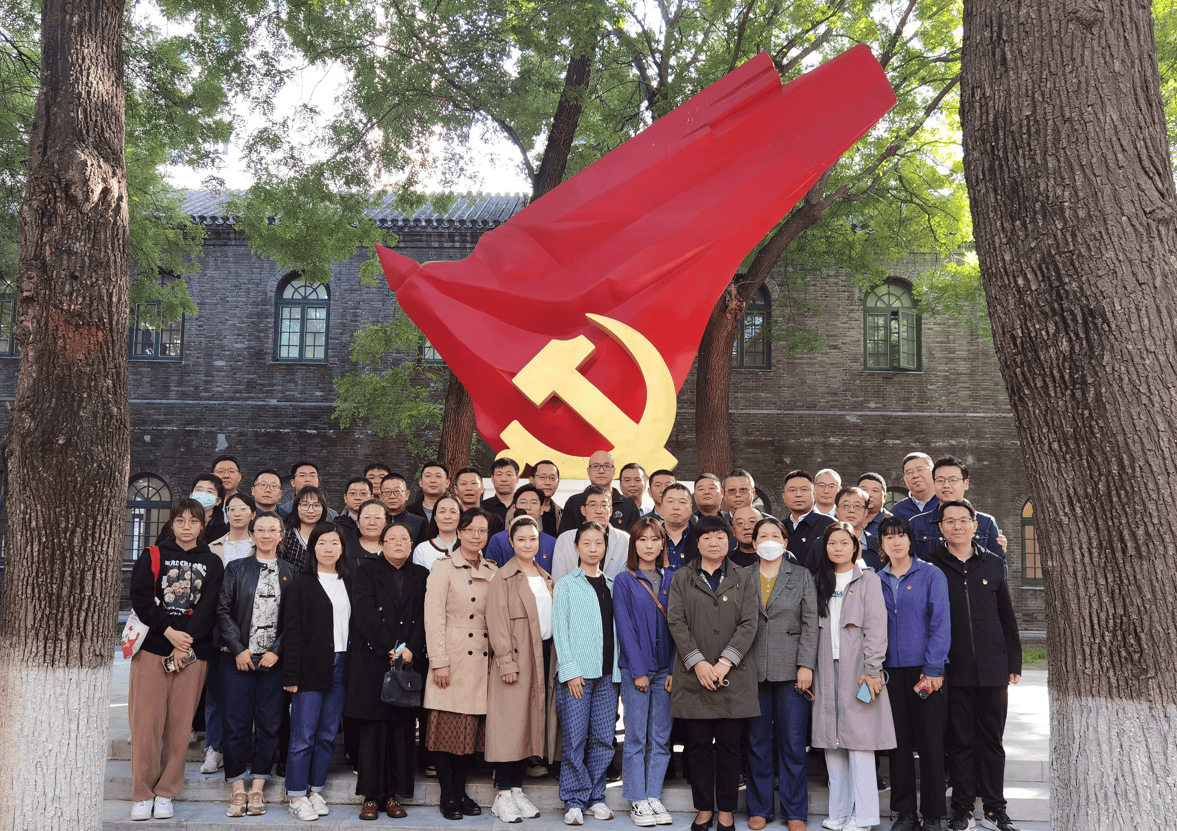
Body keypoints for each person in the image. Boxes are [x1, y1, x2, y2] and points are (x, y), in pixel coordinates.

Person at [926, 500, 1022, 831]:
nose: (956, 526)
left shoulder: (993, 563)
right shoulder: (930, 565)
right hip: (955, 668)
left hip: (994, 668)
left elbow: (1007, 617)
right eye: (949, 521)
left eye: (963, 520)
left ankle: (996, 809)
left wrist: (1014, 660)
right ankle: (963, 808)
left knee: (992, 742)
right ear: (940, 528)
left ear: (974, 524)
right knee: (960, 741)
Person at [128, 498, 225, 821]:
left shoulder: (211, 562)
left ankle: (167, 791)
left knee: (180, 727)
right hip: (153, 649)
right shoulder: (152, 555)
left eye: (193, 522)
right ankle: (142, 793)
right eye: (180, 521)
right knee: (146, 725)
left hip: (193, 654)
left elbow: (210, 606)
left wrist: (184, 644)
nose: (186, 527)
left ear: (202, 525)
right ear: (172, 524)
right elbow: (141, 598)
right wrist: (169, 632)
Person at [667, 515, 759, 831]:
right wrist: (699, 662)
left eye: (720, 536)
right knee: (699, 748)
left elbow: (749, 623)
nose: (713, 542)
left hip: (733, 677)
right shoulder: (682, 577)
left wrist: (723, 662)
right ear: (698, 542)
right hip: (694, 676)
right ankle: (704, 809)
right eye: (706, 537)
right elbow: (676, 622)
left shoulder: (744, 577)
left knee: (732, 748)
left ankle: (727, 811)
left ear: (730, 540)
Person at [811, 522, 896, 831]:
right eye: (832, 543)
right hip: (824, 668)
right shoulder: (819, 579)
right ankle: (838, 812)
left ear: (855, 546)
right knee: (831, 742)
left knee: (860, 743)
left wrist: (872, 669)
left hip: (859, 669)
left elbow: (876, 626)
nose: (838, 548)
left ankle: (864, 817)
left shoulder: (868, 580)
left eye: (844, 543)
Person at [346, 521, 430, 821]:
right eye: (391, 538)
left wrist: (412, 649)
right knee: (373, 731)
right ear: (381, 544)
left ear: (411, 545)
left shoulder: (422, 574)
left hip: (407, 662)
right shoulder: (366, 571)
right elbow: (364, 612)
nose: (398, 543)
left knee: (401, 732)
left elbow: (425, 615)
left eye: (404, 539)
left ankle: (393, 795)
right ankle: (371, 797)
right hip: (374, 661)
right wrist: (388, 648)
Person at [216, 510, 295, 818]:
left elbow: (294, 619)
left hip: (274, 663)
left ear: (280, 535)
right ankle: (237, 789)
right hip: (237, 660)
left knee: (269, 724)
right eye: (259, 529)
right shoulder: (236, 568)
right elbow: (223, 611)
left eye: (271, 530)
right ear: (251, 534)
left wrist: (277, 649)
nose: (265, 534)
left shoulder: (292, 572)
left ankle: (259, 786)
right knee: (235, 723)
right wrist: (238, 649)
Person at [876, 515, 950, 831]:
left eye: (901, 535)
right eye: (888, 537)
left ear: (910, 539)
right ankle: (905, 813)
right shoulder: (874, 579)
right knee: (899, 745)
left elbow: (941, 623)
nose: (896, 541)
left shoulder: (930, 575)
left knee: (931, 744)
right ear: (881, 544)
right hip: (890, 673)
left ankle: (933, 814)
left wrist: (933, 668)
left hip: (925, 672)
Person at [423, 508, 498, 821]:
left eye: (482, 531)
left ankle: (461, 790)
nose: (476, 536)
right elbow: (434, 617)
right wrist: (439, 662)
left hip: (481, 659)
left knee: (470, 733)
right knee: (445, 733)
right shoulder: (443, 568)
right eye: (470, 530)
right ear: (460, 532)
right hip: (451, 658)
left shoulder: (494, 570)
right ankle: (447, 794)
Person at [745, 517, 816, 831]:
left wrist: (806, 665)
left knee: (792, 743)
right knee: (758, 743)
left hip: (792, 671)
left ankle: (795, 811)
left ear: (785, 542)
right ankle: (759, 807)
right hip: (751, 670)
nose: (769, 539)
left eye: (776, 535)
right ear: (754, 542)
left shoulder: (801, 575)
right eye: (763, 535)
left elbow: (811, 622)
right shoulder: (741, 576)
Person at [485, 515, 555, 823]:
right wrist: (506, 662)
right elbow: (496, 622)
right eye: (522, 539)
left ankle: (516, 790)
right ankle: (502, 794)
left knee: (527, 724)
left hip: (542, 654)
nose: (528, 543)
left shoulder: (545, 576)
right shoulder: (503, 576)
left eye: (533, 538)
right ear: (511, 542)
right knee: (509, 726)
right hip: (516, 655)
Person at [553, 521, 622, 826]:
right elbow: (560, 630)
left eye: (599, 543)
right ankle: (574, 799)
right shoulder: (567, 584)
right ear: (577, 547)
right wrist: (569, 670)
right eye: (587, 543)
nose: (593, 548)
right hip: (577, 676)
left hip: (608, 676)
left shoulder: (612, 585)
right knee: (575, 739)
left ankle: (595, 796)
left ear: (605, 548)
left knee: (604, 739)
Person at [282, 522, 352, 821]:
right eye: (322, 542)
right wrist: (291, 676)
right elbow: (292, 631)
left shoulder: (349, 580)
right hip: (310, 667)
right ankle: (296, 795)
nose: (328, 548)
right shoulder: (301, 582)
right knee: (303, 735)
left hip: (342, 665)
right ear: (314, 548)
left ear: (342, 548)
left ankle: (315, 790)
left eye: (334, 543)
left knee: (326, 735)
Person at [613, 518, 675, 828]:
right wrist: (637, 670)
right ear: (634, 544)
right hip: (635, 670)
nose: (648, 545)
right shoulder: (625, 580)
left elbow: (682, 628)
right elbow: (624, 627)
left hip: (666, 670)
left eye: (654, 539)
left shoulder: (673, 578)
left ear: (663, 543)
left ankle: (654, 796)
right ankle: (637, 798)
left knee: (661, 738)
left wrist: (675, 669)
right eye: (642, 540)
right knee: (636, 737)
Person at [202, 491, 258, 775]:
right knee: (216, 691)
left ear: (252, 513)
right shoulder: (213, 548)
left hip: (256, 628)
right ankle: (214, 748)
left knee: (253, 693)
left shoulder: (261, 546)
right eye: (231, 508)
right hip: (216, 630)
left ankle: (248, 746)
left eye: (242, 508)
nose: (236, 513)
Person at [911, 457, 1007, 560]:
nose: (946, 485)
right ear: (934, 484)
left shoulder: (986, 523)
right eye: (940, 480)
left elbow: (1000, 567)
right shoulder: (916, 524)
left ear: (966, 484)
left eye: (953, 480)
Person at [552, 485, 631, 581]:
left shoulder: (625, 539)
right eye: (593, 505)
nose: (599, 511)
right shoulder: (566, 539)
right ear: (583, 510)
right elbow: (558, 581)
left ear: (610, 511)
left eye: (604, 505)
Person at [558, 451, 641, 534]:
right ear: (588, 471)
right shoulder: (574, 502)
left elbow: (635, 542)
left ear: (614, 471)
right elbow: (565, 540)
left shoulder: (628, 505)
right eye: (595, 466)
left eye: (607, 466)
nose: (601, 471)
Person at [487, 485, 557, 571]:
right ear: (514, 509)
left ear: (541, 509)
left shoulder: (552, 542)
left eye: (534, 502)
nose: (528, 507)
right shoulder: (498, 540)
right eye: (523, 502)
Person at [781, 470, 834, 572]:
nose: (798, 495)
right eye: (792, 490)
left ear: (814, 494)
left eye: (804, 489)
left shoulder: (829, 524)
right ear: (784, 497)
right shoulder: (779, 527)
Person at [157, 474, 227, 544]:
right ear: (191, 495)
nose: (203, 494)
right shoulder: (172, 525)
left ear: (218, 500)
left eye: (210, 491)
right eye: (199, 490)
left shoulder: (223, 531)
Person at [282, 486, 330, 572]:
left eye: (316, 505)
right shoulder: (285, 535)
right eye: (305, 505)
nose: (310, 510)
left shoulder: (329, 535)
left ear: (323, 508)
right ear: (296, 508)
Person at [412, 494, 462, 573]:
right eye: (442, 511)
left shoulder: (470, 548)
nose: (447, 516)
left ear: (460, 516)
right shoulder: (422, 550)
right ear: (435, 517)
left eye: (453, 512)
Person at [834, 486, 875, 569]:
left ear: (865, 513)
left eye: (857, 506)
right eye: (846, 505)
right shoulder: (821, 544)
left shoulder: (878, 545)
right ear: (837, 511)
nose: (851, 510)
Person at [380, 473, 427, 544]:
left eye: (397, 491)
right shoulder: (375, 522)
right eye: (387, 492)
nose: (392, 496)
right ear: (381, 497)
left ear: (407, 495)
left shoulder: (419, 522)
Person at [660, 482, 696, 572]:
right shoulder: (651, 536)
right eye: (670, 501)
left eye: (682, 502)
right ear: (661, 507)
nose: (676, 507)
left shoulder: (701, 537)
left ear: (691, 508)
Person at [891, 453, 937, 523]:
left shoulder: (947, 503)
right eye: (909, 472)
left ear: (934, 472)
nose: (915, 475)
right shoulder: (897, 511)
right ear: (904, 479)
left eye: (920, 470)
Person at [335, 477, 374, 552]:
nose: (358, 498)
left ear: (371, 498)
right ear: (345, 498)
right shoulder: (336, 527)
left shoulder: (381, 525)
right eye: (353, 493)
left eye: (363, 493)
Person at [530, 459, 563, 537]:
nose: (548, 483)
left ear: (558, 483)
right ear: (531, 480)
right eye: (542, 477)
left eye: (552, 478)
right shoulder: (519, 509)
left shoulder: (562, 513)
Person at [482, 457, 520, 521]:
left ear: (517, 478)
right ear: (492, 478)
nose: (504, 479)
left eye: (509, 474)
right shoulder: (482, 507)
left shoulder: (524, 506)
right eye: (499, 474)